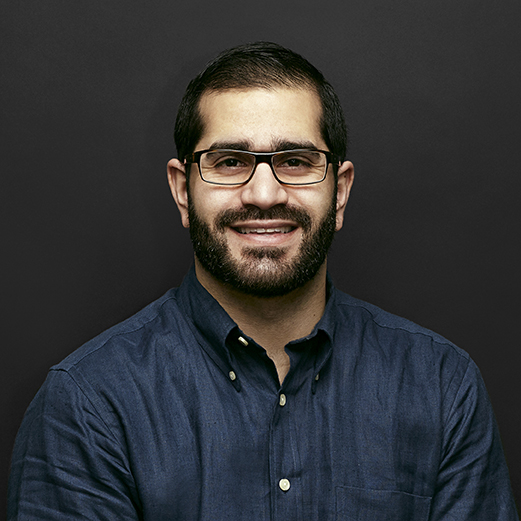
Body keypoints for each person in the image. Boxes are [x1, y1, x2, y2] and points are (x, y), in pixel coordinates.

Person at [7, 41, 518, 520]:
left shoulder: (441, 387)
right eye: (230, 162)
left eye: (295, 161)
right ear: (183, 190)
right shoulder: (88, 404)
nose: (265, 194)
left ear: (340, 192)